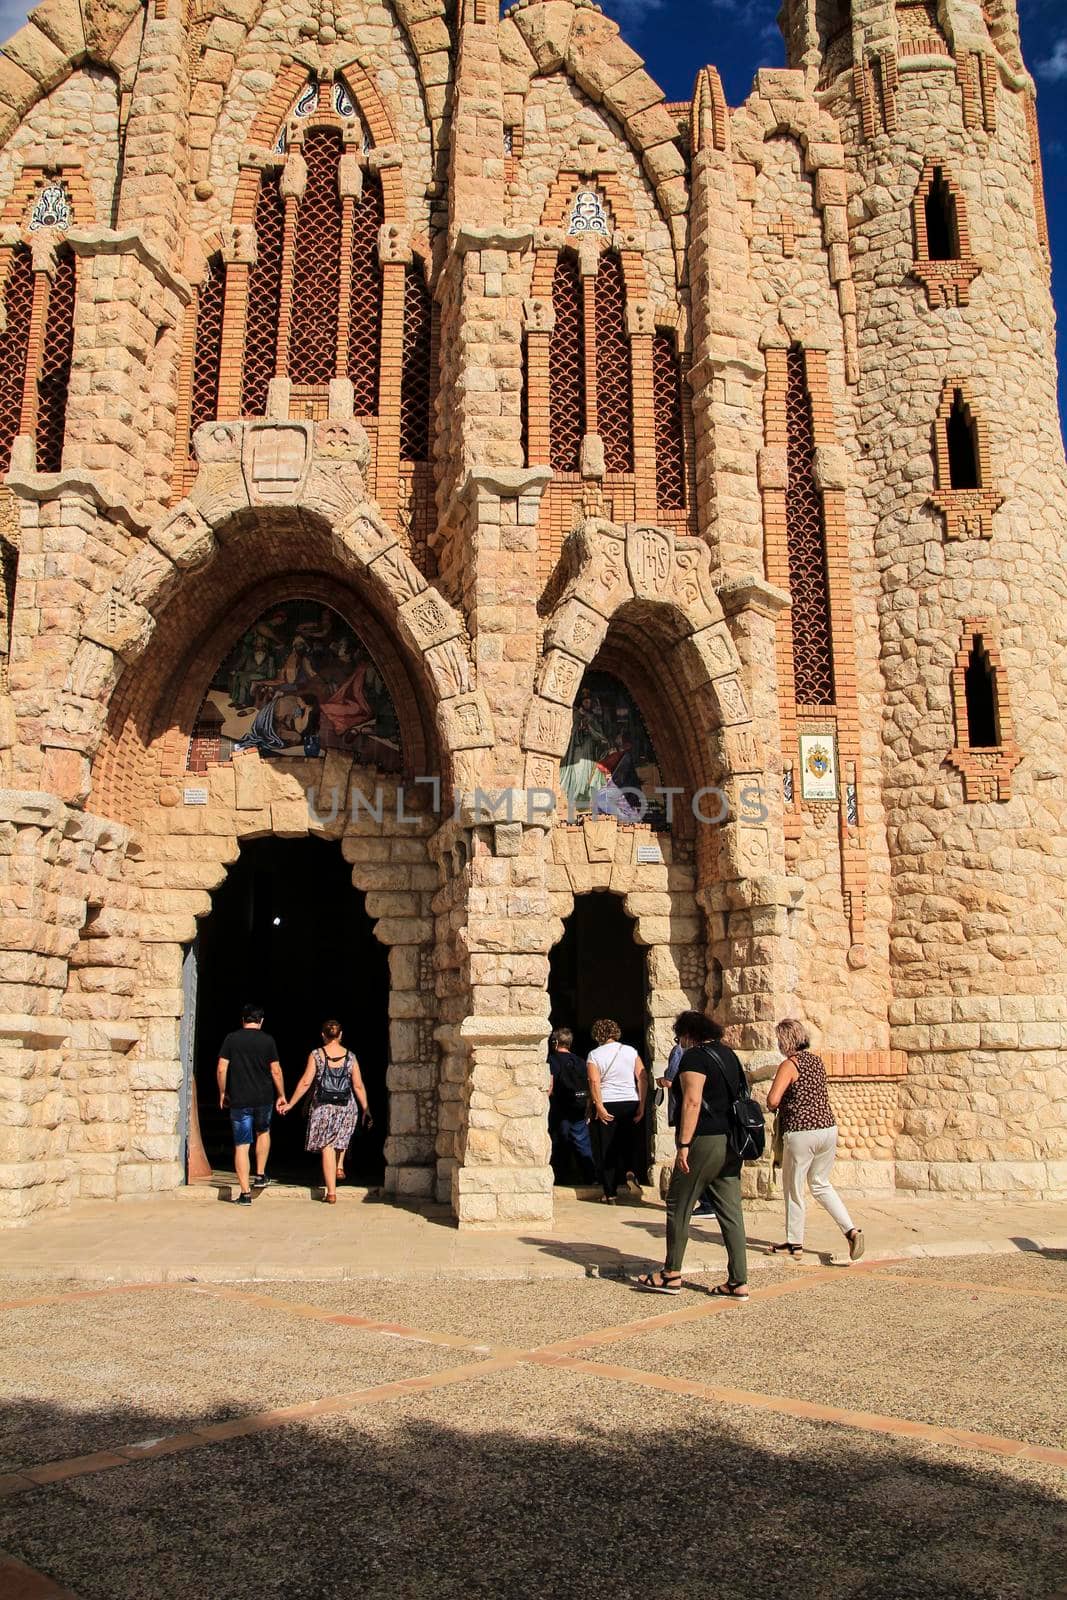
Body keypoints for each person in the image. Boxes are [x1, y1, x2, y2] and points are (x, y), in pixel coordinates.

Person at [638, 1011, 749, 1297]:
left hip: (704, 1139)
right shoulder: (730, 1055)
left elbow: (691, 1101)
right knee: (731, 1211)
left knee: (679, 1202)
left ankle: (671, 1274)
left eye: (679, 1037)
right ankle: (738, 1280)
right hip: (731, 1141)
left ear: (688, 1034)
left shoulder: (694, 1057)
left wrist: (683, 1144)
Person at [766, 1018, 864, 1264]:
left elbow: (773, 1100)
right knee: (820, 1183)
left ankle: (794, 1243)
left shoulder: (789, 1065)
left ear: (786, 1041)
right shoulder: (816, 1061)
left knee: (794, 1187)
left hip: (801, 1130)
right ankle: (851, 1230)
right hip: (827, 1128)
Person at [281, 1020, 372, 1203]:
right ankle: (339, 1165)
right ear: (340, 1035)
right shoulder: (351, 1057)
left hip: (323, 1106)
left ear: (323, 1035)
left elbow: (306, 1082)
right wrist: (366, 1108)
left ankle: (331, 1193)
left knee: (327, 1147)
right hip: (346, 1106)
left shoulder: (316, 1055)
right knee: (341, 1137)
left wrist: (291, 1103)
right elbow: (358, 1085)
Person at [216, 1005, 286, 1205]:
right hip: (264, 1097)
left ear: (243, 1020)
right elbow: (276, 1070)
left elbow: (222, 1068)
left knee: (241, 1144)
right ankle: (261, 1174)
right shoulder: (268, 1040)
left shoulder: (232, 1039)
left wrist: (222, 1092)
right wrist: (281, 1094)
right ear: (261, 1021)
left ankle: (245, 1194)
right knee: (263, 1132)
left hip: (239, 1099)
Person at [586, 1018, 647, 1203]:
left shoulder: (594, 1055)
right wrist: (642, 1105)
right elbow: (642, 1077)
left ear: (597, 1034)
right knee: (627, 1142)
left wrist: (599, 1106)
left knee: (605, 1148)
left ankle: (610, 1192)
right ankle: (631, 1171)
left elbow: (594, 1081)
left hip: (608, 1102)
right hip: (630, 1101)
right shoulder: (630, 1051)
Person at [659, 1038, 715, 1219]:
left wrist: (662, 1081)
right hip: (705, 1113)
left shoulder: (680, 1050)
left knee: (689, 1159)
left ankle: (706, 1203)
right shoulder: (708, 1052)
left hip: (685, 1110)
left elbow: (671, 1079)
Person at [547, 1027, 595, 1184]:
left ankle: (560, 1178)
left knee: (559, 1142)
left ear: (555, 1043)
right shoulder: (581, 1061)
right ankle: (591, 1177)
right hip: (579, 1106)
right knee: (582, 1142)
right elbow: (589, 1085)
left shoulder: (552, 1060)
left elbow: (550, 1085)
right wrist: (588, 1107)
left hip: (559, 1107)